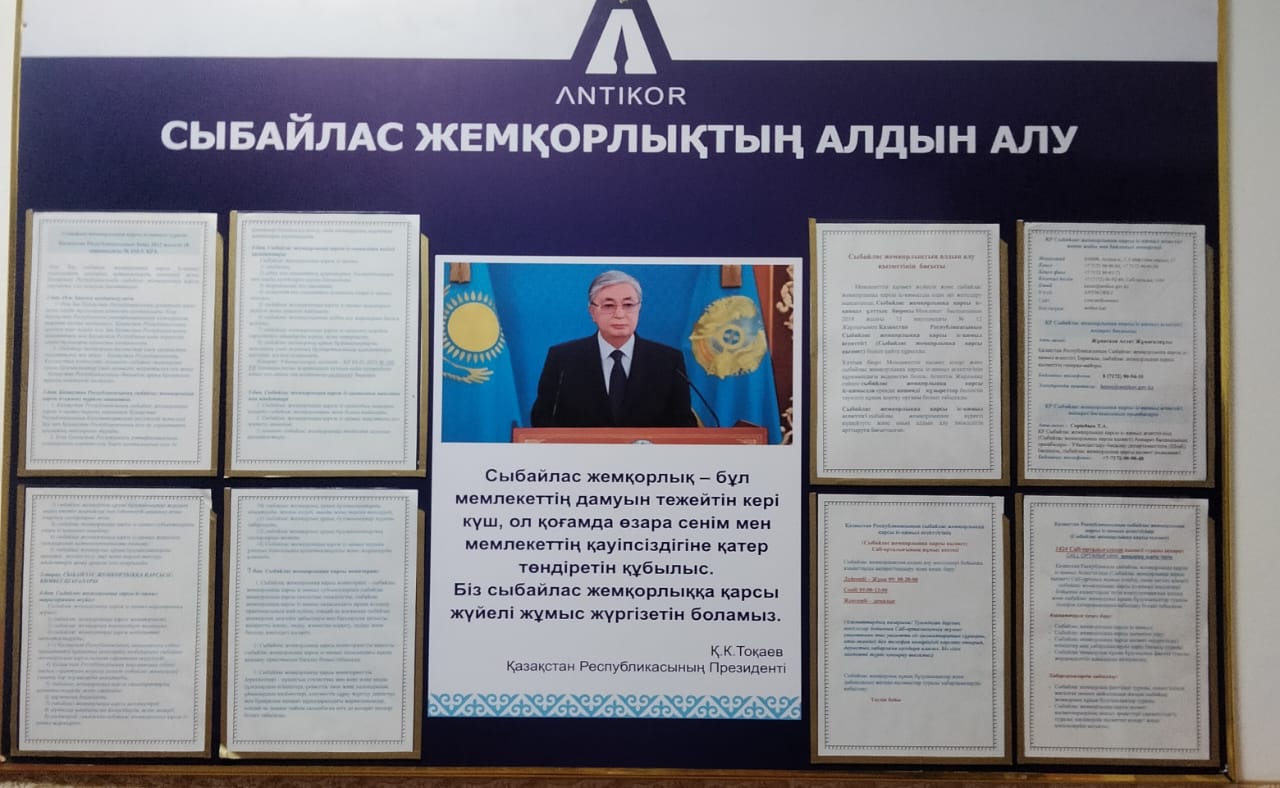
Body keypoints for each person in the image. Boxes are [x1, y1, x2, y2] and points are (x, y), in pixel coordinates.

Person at [530, 270, 696, 428]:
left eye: (628, 305)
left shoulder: (668, 361)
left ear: (639, 308)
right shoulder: (562, 359)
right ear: (592, 312)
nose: (619, 314)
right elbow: (542, 420)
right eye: (609, 306)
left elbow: (684, 425)